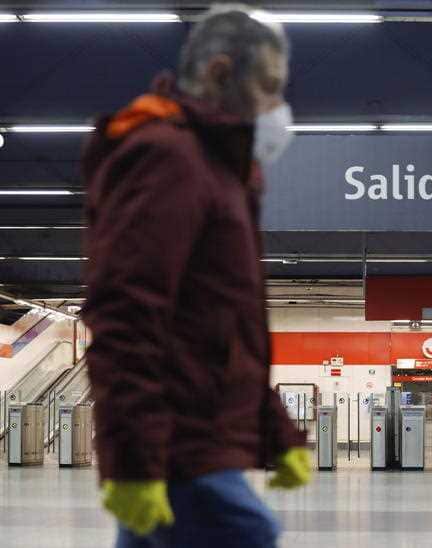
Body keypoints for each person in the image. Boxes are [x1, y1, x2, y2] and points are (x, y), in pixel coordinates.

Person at [81, 5, 311, 547]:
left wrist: (275, 430)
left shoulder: (220, 173)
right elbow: (125, 311)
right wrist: (134, 459)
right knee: (247, 534)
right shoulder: (168, 158)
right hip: (179, 442)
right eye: (268, 87)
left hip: (191, 440)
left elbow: (224, 328)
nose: (277, 108)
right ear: (220, 74)